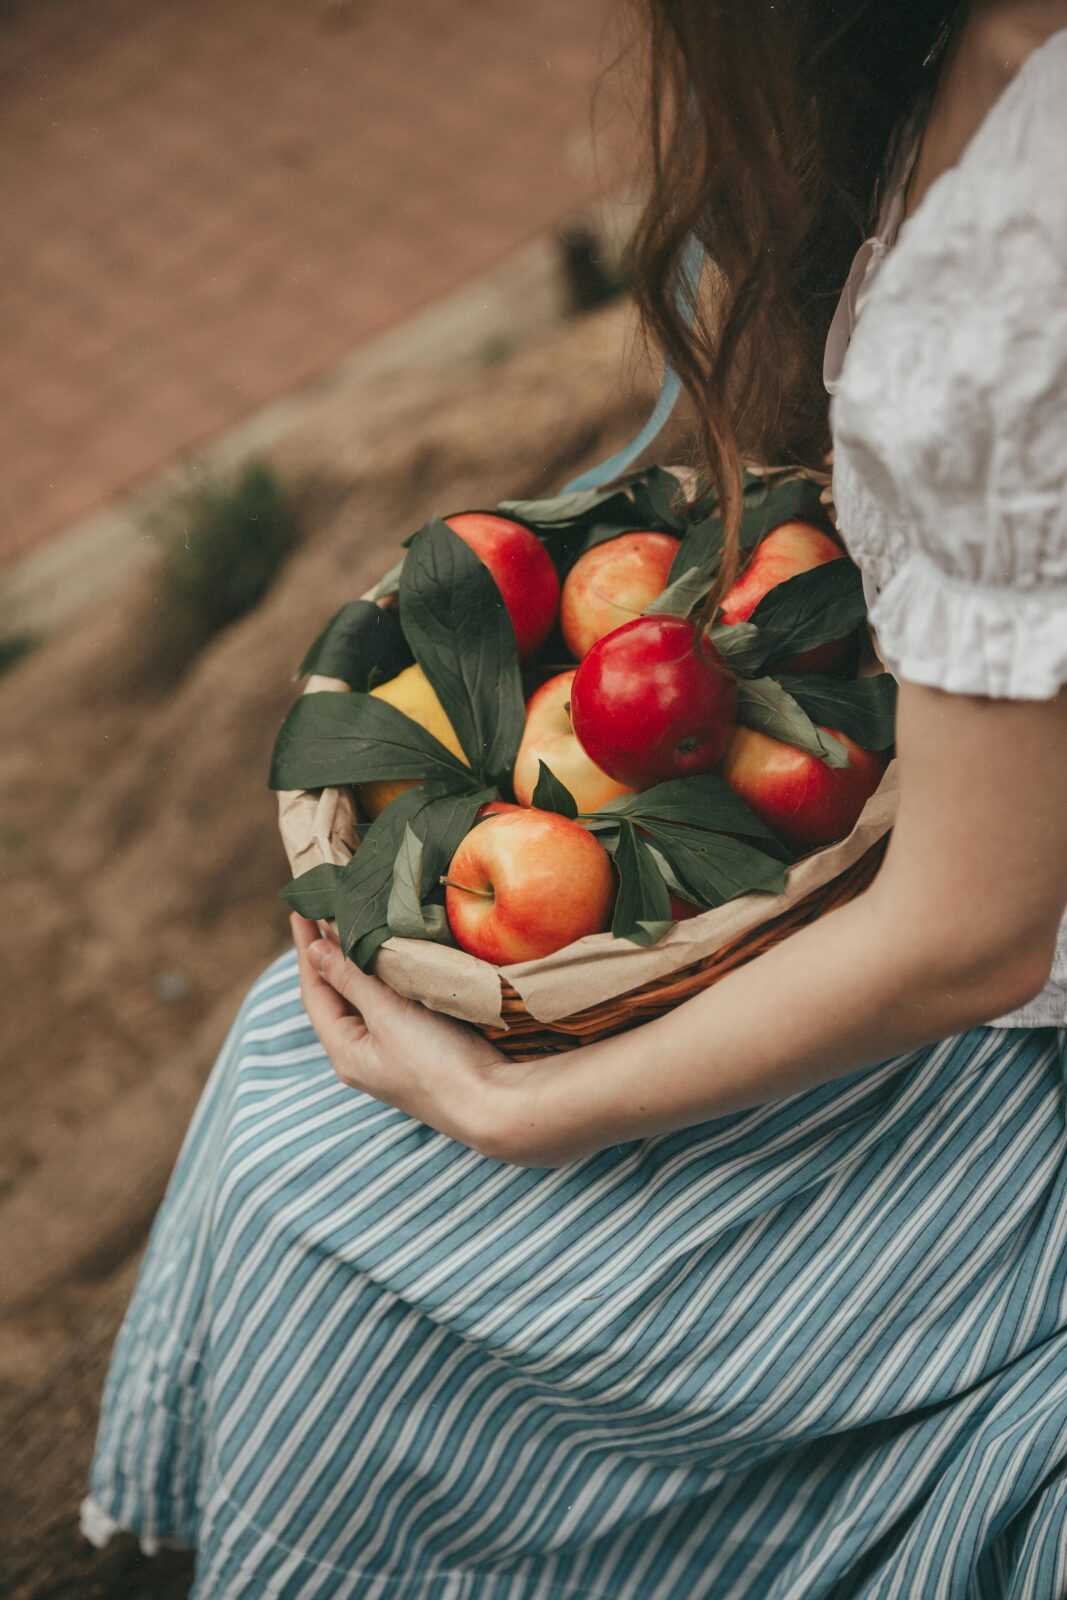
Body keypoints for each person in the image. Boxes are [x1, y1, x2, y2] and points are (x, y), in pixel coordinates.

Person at [83, 2, 1067, 1594]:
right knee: (291, 1068)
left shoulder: (1024, 259)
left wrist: (518, 1108)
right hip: (934, 836)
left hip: (1003, 1018)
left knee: (317, 1186)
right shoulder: (953, 55)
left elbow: (973, 943)